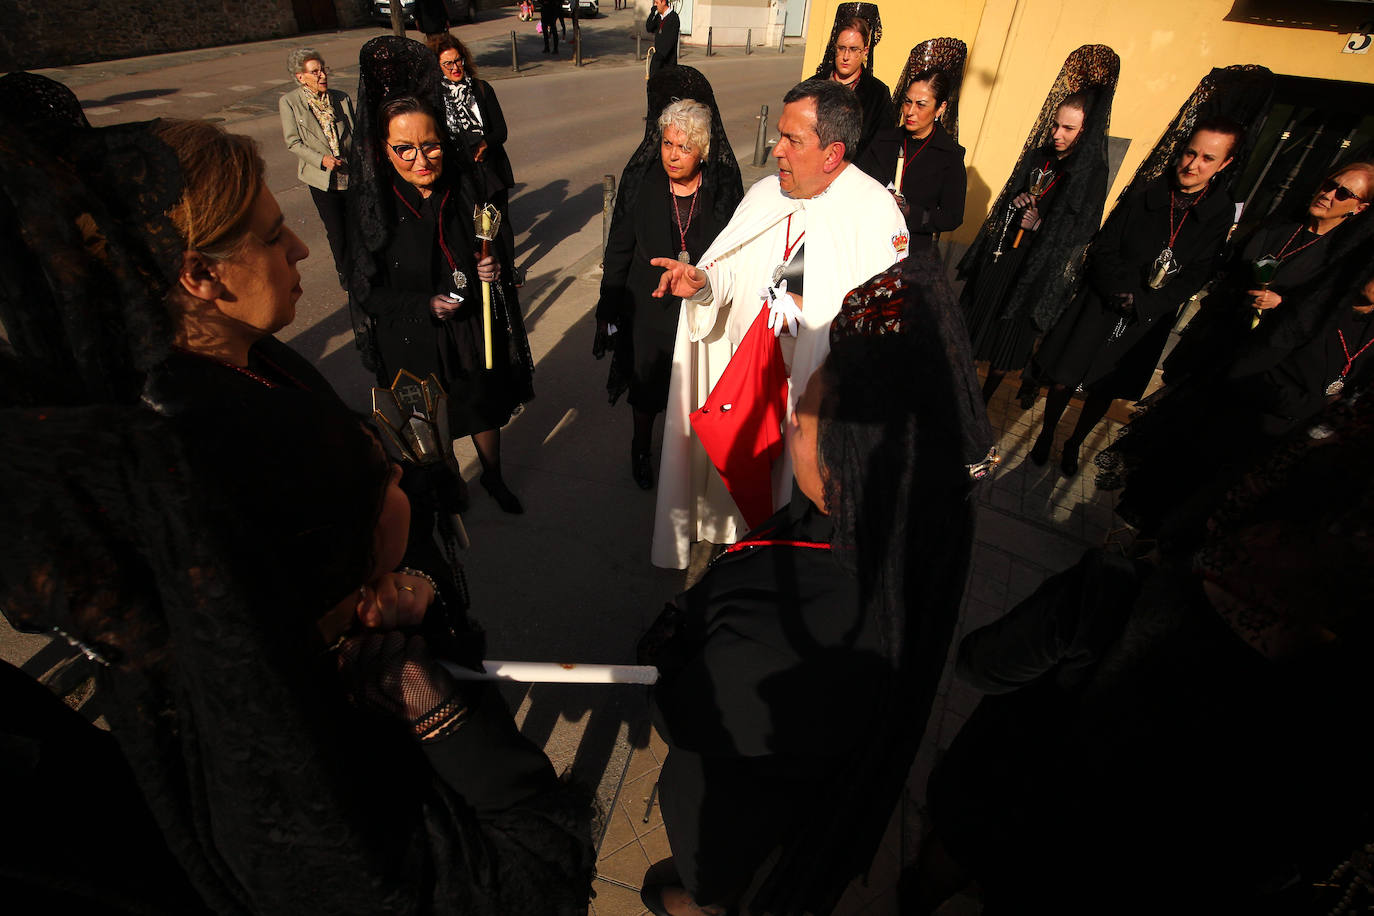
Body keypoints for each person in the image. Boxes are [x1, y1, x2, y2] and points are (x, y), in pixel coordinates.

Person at [0, 76, 595, 914]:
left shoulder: (249, 359)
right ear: (201, 275)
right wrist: (414, 657)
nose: (303, 255)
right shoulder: (207, 440)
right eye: (275, 238)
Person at [638, 249, 995, 916]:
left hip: (746, 796)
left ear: (847, 462)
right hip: (810, 763)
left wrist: (667, 654)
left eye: (801, 411)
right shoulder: (900, 523)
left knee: (722, 867)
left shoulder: (793, 623)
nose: (786, 416)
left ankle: (707, 898)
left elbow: (692, 711)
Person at [647, 79, 907, 569]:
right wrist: (701, 281)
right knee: (738, 497)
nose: (776, 149)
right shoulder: (767, 193)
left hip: (811, 402)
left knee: (789, 513)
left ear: (833, 153)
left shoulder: (875, 216)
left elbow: (882, 338)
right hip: (749, 381)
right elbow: (731, 273)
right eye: (779, 134)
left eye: (792, 140)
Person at [350, 37, 535, 514]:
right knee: (431, 423)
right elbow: (367, 293)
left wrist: (487, 268)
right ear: (384, 149)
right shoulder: (375, 210)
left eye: (430, 146)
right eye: (405, 150)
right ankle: (449, 485)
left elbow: (481, 242)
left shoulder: (461, 186)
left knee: (482, 406)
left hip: (468, 328)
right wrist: (423, 305)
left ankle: (493, 476)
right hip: (412, 338)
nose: (420, 160)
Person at [1028, 119, 1243, 475]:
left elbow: (1198, 272)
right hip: (1102, 298)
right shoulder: (1147, 192)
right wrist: (1116, 290)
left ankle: (1074, 444)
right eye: (1191, 152)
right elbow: (1105, 244)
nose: (1193, 165)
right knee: (1066, 374)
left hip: (1147, 313)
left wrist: (1145, 304)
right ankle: (1046, 435)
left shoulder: (1218, 212)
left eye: (1207, 158)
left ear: (1225, 164)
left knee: (1106, 387)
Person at [594, 67, 743, 490]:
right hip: (649, 306)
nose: (673, 154)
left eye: (684, 147)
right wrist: (609, 303)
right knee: (646, 388)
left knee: (694, 389)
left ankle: (689, 458)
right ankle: (641, 449)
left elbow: (736, 252)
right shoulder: (642, 181)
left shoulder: (721, 189)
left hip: (699, 306)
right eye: (667, 143)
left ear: (703, 152)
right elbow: (619, 246)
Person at [957, 45, 1119, 406]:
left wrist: (1041, 224)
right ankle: (959, 391)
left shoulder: (1090, 174)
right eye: (1056, 125)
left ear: (1086, 130)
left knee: (1008, 340)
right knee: (977, 327)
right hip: (1006, 257)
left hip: (1036, 270)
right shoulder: (1040, 155)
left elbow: (1082, 229)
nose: (1058, 134)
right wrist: (1015, 203)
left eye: (1068, 128)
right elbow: (1015, 193)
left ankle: (983, 401)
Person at [431, 33, 518, 275]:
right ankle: (482, 270)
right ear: (438, 67)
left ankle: (508, 270)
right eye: (447, 64)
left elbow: (501, 130)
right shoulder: (436, 97)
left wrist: (484, 144)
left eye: (458, 61)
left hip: (490, 168)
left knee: (499, 223)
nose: (455, 67)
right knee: (473, 226)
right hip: (460, 171)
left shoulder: (481, 88)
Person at [856, 62, 966, 252]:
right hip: (867, 238)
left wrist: (910, 211)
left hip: (910, 247)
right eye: (908, 102)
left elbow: (952, 217)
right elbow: (856, 181)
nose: (910, 111)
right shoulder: (884, 141)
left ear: (940, 108)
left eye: (921, 105)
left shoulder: (949, 156)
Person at [278, 48, 356, 288]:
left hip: (349, 173)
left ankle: (363, 269)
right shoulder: (290, 102)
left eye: (323, 69)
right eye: (315, 72)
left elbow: (356, 133)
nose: (322, 75)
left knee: (357, 226)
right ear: (301, 77)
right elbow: (293, 142)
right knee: (337, 230)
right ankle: (346, 275)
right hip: (322, 178)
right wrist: (322, 159)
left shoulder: (340, 98)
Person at [812, 3, 893, 161]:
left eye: (854, 49)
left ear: (865, 51)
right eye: (841, 48)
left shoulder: (877, 94)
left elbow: (881, 147)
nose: (846, 56)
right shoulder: (814, 86)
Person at [646, 0, 679, 77]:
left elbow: (670, 42)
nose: (655, 5)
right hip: (658, 60)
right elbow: (649, 28)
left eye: (657, 3)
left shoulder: (673, 17)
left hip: (668, 62)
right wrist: (652, 13)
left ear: (663, 2)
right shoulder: (658, 17)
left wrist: (658, 59)